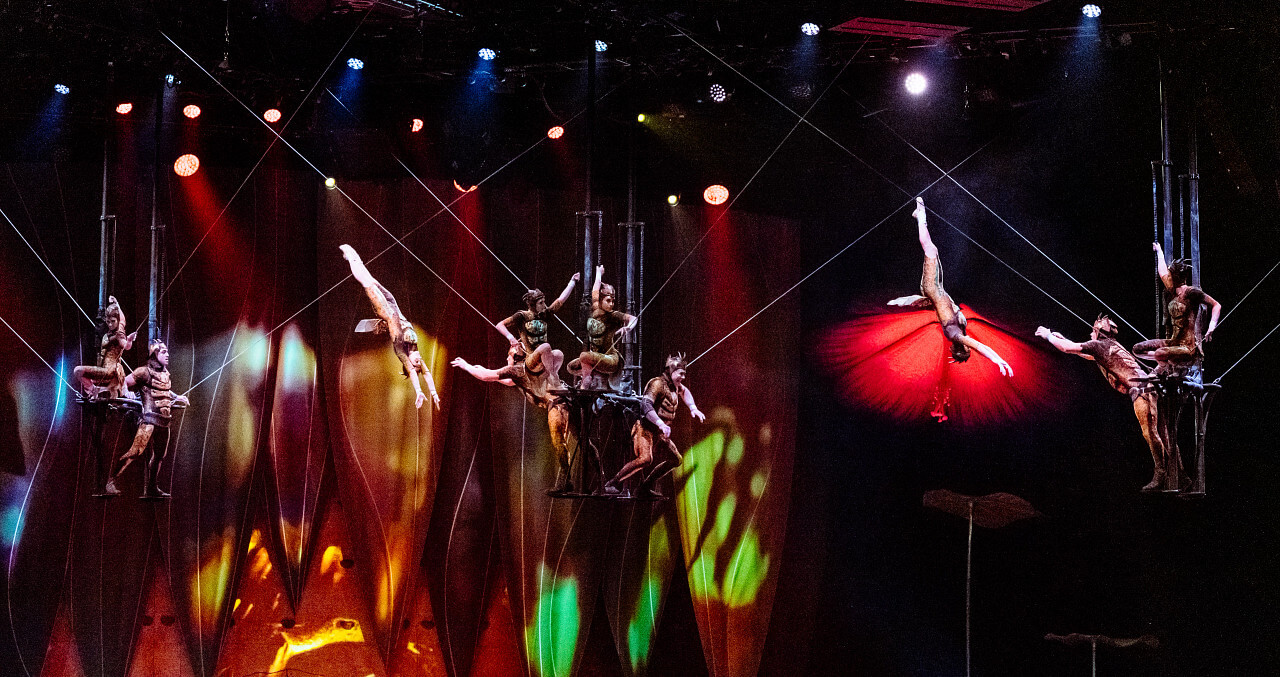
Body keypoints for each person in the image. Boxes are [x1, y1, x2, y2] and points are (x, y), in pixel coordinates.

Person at [1037, 316, 1175, 491]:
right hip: (1149, 388)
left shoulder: (1099, 345)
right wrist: (1061, 337)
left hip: (1142, 392)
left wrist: (1049, 336)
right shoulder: (1110, 346)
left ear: (1098, 332)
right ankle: (1180, 475)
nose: (1090, 332)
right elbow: (1085, 353)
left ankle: (1162, 473)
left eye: (1093, 330)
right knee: (1163, 433)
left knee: (1150, 433)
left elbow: (1068, 349)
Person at [888, 197, 1013, 377]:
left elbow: (980, 347)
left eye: (968, 350)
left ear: (962, 347)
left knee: (930, 249)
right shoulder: (961, 330)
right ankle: (918, 217)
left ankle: (921, 216)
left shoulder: (954, 335)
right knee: (933, 250)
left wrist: (997, 359)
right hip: (938, 290)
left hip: (932, 289)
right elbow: (955, 312)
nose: (971, 347)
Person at [452, 347, 574, 492]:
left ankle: (566, 482)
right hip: (567, 402)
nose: (506, 359)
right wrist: (476, 369)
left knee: (559, 442)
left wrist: (466, 366)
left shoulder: (519, 369)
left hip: (558, 405)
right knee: (580, 440)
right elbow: (508, 381)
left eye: (508, 356)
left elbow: (487, 376)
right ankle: (595, 477)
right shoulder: (527, 370)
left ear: (516, 357)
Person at [340, 245, 440, 410]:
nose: (418, 363)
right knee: (371, 279)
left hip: (385, 310)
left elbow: (413, 373)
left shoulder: (402, 351)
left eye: (414, 365)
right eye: (418, 364)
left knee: (366, 282)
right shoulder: (416, 351)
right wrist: (434, 393)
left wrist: (418, 391)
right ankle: (353, 258)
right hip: (393, 305)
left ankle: (351, 258)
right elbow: (427, 375)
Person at [604, 354, 705, 497]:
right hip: (645, 428)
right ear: (671, 370)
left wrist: (693, 407)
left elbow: (685, 392)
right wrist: (660, 423)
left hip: (660, 432)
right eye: (681, 374)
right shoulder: (658, 384)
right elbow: (646, 405)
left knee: (676, 459)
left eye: (684, 374)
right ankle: (613, 483)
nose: (683, 377)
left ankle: (645, 487)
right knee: (645, 459)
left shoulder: (676, 387)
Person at [103, 340, 189, 498]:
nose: (167, 354)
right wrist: (125, 391)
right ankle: (110, 481)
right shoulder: (143, 372)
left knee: (159, 456)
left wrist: (178, 397)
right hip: (149, 420)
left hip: (164, 422)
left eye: (167, 351)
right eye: (163, 352)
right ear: (154, 354)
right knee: (135, 452)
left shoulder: (165, 373)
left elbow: (165, 390)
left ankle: (152, 488)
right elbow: (124, 382)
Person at [1132, 242, 1222, 375]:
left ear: (1177, 276)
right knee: (1138, 349)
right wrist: (1159, 251)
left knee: (1159, 353)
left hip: (1187, 348)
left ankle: (1161, 368)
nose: (1168, 276)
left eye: (1171, 273)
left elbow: (1216, 305)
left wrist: (1211, 327)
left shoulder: (1191, 293)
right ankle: (1166, 362)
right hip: (1174, 343)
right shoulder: (1173, 290)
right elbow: (1162, 272)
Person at [496, 273, 579, 378]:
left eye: (544, 302)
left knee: (558, 354)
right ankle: (552, 379)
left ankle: (550, 376)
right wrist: (511, 338)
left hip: (544, 359)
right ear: (532, 305)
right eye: (541, 303)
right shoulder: (522, 315)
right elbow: (500, 325)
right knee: (546, 347)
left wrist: (572, 282)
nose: (544, 305)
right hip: (530, 360)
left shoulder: (544, 314)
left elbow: (560, 300)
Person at [567, 265, 636, 389]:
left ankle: (586, 382)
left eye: (612, 301)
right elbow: (595, 290)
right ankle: (592, 374)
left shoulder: (613, 315)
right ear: (600, 300)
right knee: (571, 366)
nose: (611, 304)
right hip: (596, 357)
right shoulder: (595, 309)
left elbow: (633, 319)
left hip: (611, 359)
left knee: (584, 356)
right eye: (608, 300)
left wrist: (628, 328)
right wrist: (599, 273)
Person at [73, 296, 137, 399]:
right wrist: (116, 303)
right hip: (103, 369)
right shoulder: (118, 326)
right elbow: (122, 319)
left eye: (113, 321)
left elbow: (126, 346)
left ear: (116, 320)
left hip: (109, 371)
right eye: (108, 322)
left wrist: (129, 340)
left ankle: (92, 389)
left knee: (78, 370)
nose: (110, 324)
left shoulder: (118, 335)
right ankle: (94, 389)